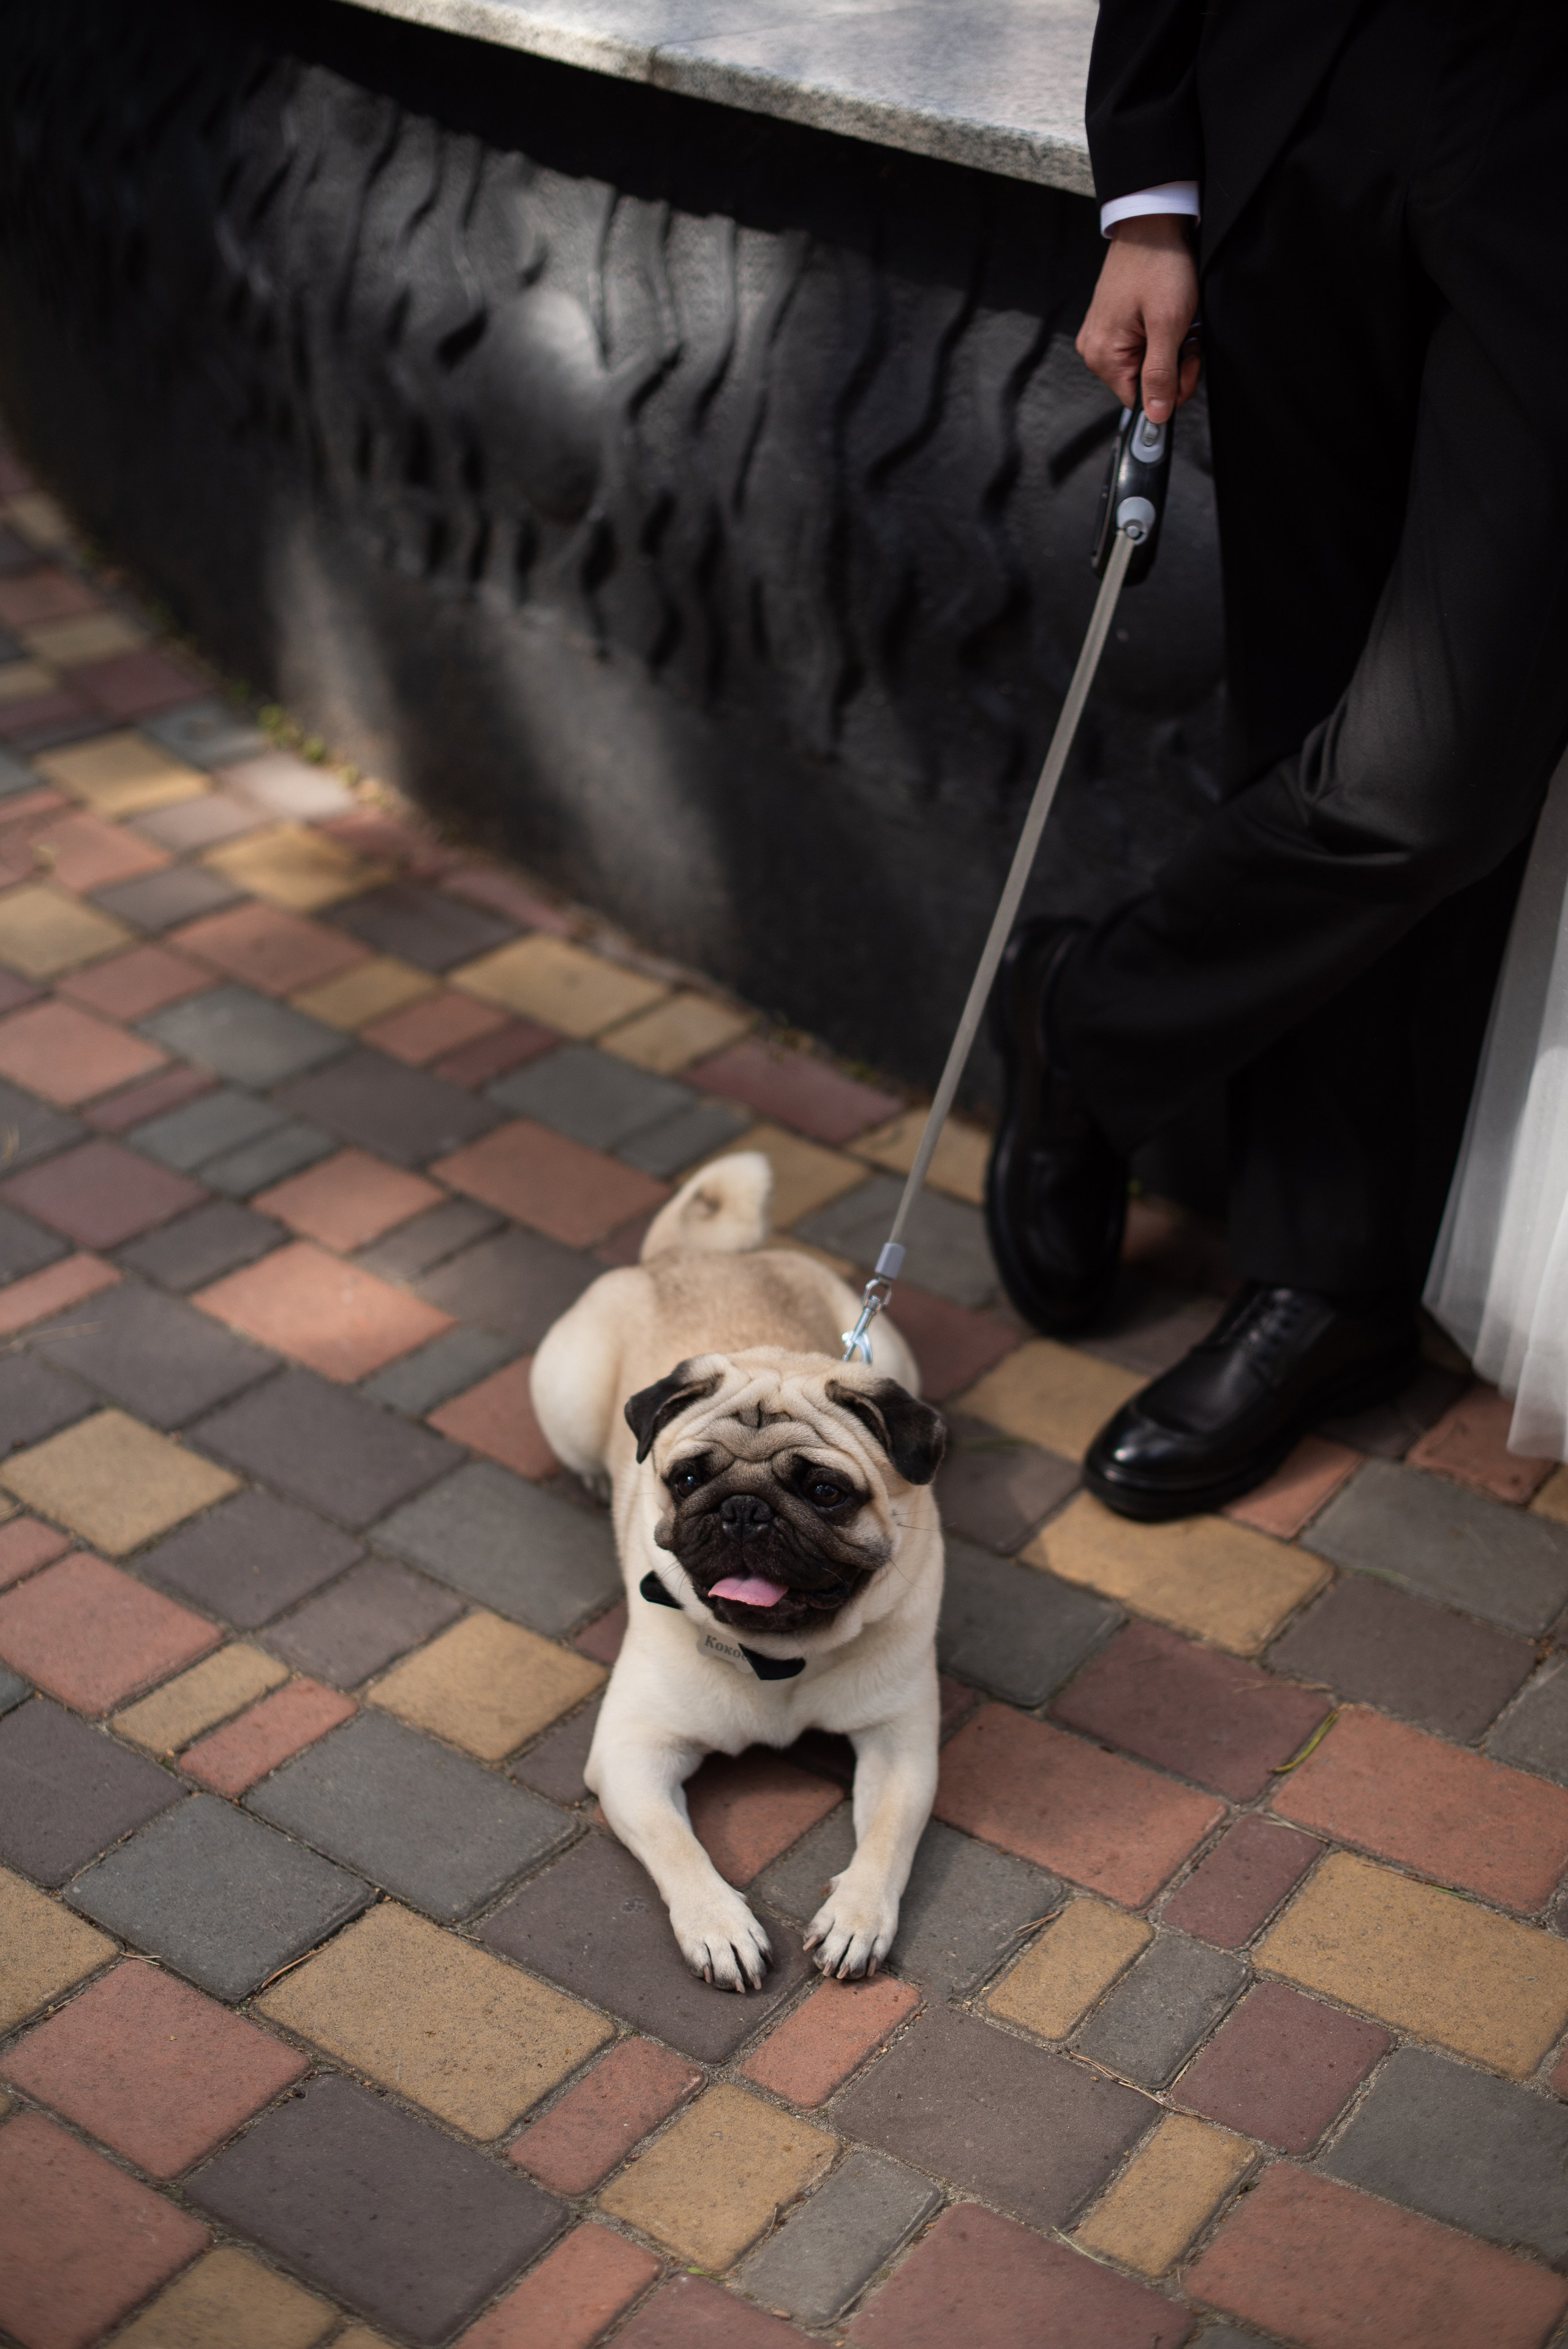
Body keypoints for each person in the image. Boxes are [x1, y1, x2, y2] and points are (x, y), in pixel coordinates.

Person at [984, 0, 1568, 1520]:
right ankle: (1323, 1281)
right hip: (1306, 82)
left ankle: (1086, 1012)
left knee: (1424, 775)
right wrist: (1153, 183)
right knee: (1308, 697)